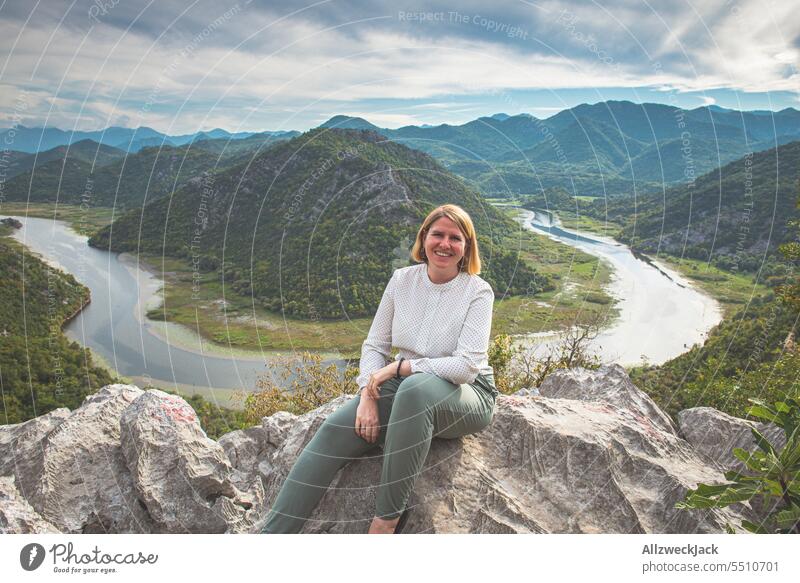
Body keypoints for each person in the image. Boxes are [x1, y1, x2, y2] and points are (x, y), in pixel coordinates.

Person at [261, 204, 498, 534]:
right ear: (423, 239)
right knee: (334, 429)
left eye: (455, 238)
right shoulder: (402, 281)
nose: (445, 244)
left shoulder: (478, 292)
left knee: (416, 389)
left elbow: (465, 367)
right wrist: (367, 397)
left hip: (467, 394)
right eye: (438, 234)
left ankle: (386, 522)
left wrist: (401, 368)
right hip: (405, 388)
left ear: (466, 247)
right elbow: (375, 346)